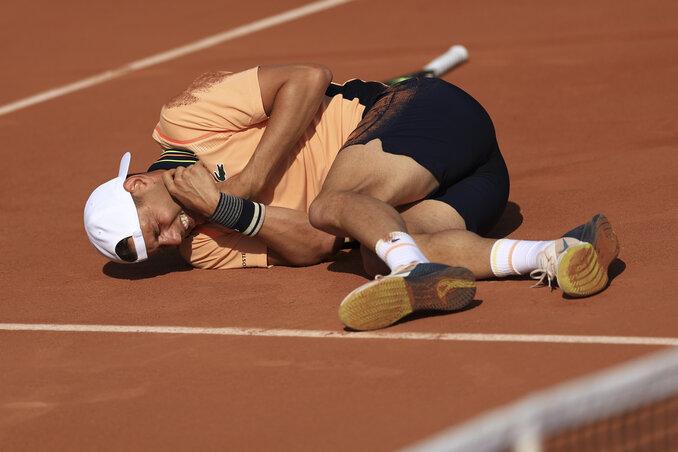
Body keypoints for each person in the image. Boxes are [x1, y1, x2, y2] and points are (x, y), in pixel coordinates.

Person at [84, 63, 619, 330]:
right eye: (161, 246)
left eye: (156, 227)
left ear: (138, 185)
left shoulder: (183, 124)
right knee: (372, 249)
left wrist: (244, 185)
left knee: (329, 205)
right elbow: (317, 247)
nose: (174, 237)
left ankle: (408, 269)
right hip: (477, 180)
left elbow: (309, 78)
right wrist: (229, 211)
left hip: (424, 115)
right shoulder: (201, 247)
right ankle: (558, 252)